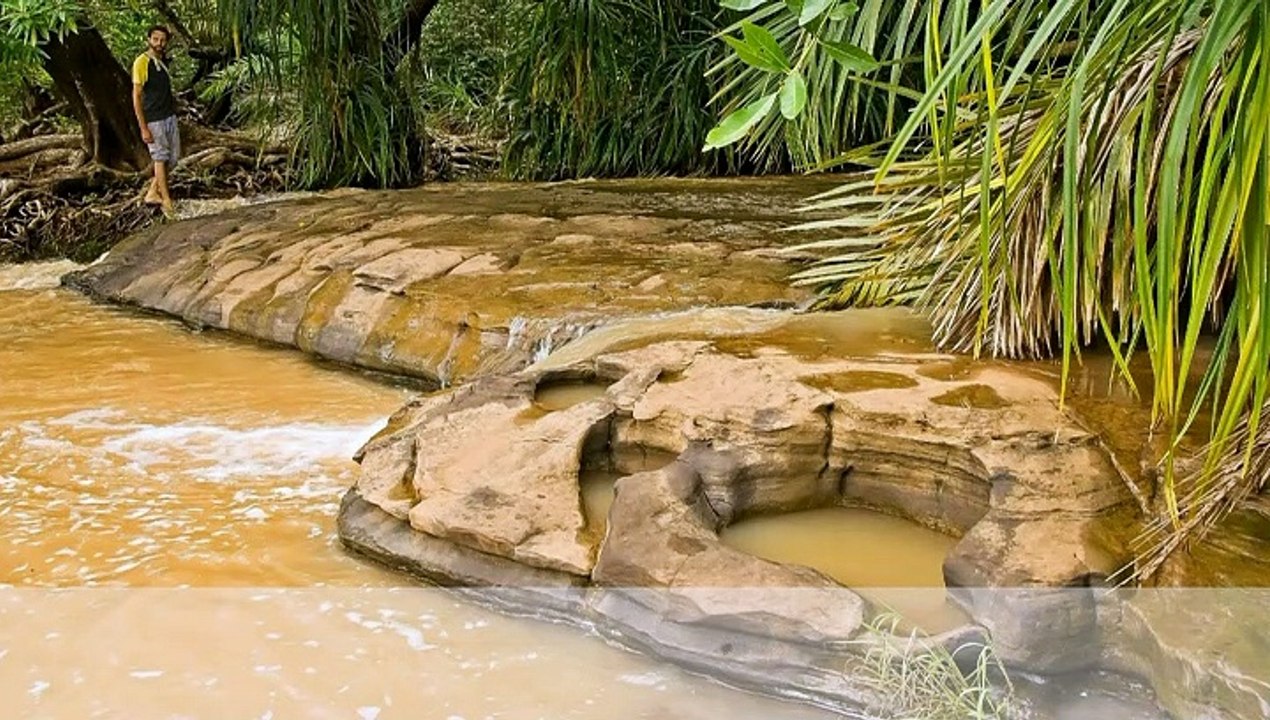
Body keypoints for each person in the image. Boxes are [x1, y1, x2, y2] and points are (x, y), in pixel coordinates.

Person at [131, 25, 179, 217]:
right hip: (154, 119)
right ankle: (166, 200)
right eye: (155, 39)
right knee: (160, 157)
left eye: (163, 40)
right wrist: (143, 127)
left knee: (173, 158)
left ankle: (152, 192)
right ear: (148, 40)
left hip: (169, 116)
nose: (159, 43)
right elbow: (136, 96)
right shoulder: (142, 62)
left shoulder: (162, 61)